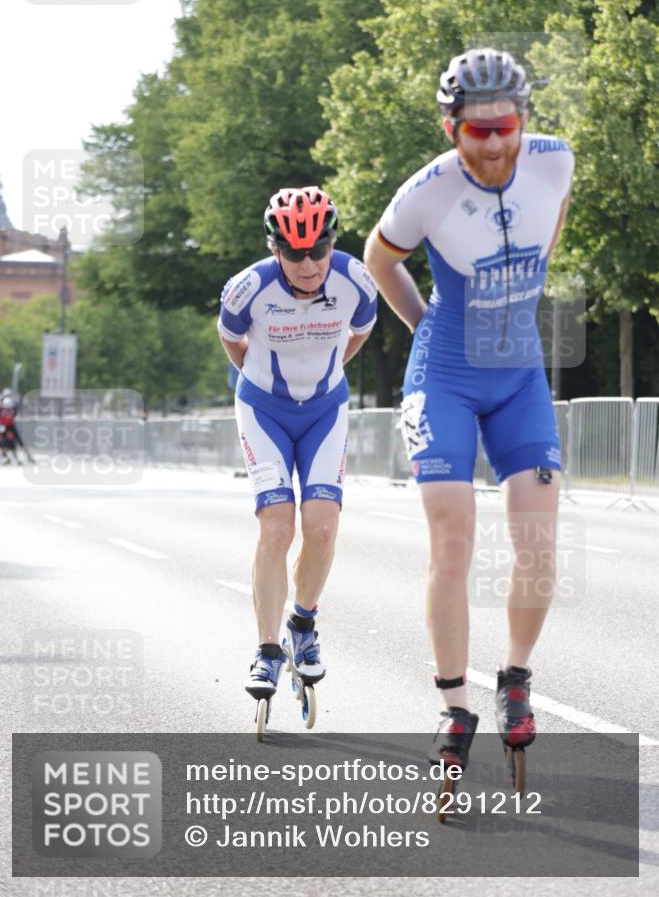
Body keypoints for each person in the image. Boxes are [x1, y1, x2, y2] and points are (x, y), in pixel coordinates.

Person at [364, 48, 573, 774]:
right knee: (452, 535)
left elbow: (550, 227)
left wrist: (522, 297)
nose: (491, 144)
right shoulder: (426, 191)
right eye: (473, 132)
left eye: (504, 126)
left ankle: (514, 677)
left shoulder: (555, 162)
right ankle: (454, 705)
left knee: (537, 542)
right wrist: (423, 323)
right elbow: (377, 258)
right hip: (445, 373)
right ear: (449, 127)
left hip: (517, 372)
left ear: (523, 119)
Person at [218, 186, 377, 707]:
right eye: (294, 253)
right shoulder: (247, 290)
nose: (308, 264)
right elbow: (232, 341)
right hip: (264, 408)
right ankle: (267, 649)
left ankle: (302, 624)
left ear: (333, 242)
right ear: (274, 249)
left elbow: (360, 333)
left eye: (319, 249)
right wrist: (262, 381)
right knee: (277, 524)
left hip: (325, 409)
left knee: (324, 525)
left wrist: (328, 373)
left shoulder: (356, 281)